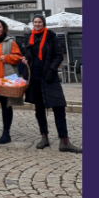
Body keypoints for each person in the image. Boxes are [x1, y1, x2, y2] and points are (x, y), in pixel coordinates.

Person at [21, 16, 81, 153]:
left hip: (49, 77)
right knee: (39, 109)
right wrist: (25, 60)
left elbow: (59, 55)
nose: (37, 24)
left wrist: (51, 70)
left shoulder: (51, 36)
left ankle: (64, 141)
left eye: (39, 22)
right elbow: (27, 55)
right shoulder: (29, 37)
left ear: (43, 23)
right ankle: (44, 138)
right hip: (35, 78)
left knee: (59, 107)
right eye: (35, 22)